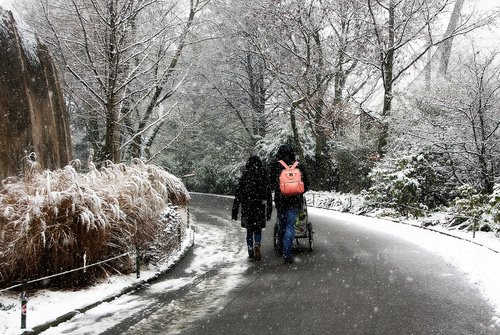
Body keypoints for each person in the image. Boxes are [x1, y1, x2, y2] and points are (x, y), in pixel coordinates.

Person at [270, 144, 309, 263]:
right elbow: (306, 184)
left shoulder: (276, 166)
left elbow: (271, 184)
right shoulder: (299, 166)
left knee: (282, 224)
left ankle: (280, 247)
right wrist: (296, 192)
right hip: (295, 201)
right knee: (290, 226)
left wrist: (280, 190)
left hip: (281, 201)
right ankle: (287, 253)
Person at [232, 155, 273, 261]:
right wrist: (269, 211)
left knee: (249, 230)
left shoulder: (244, 176)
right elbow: (268, 195)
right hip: (259, 206)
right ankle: (257, 244)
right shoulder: (263, 176)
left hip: (247, 207)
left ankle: (250, 251)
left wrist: (235, 211)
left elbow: (238, 195)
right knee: (258, 229)